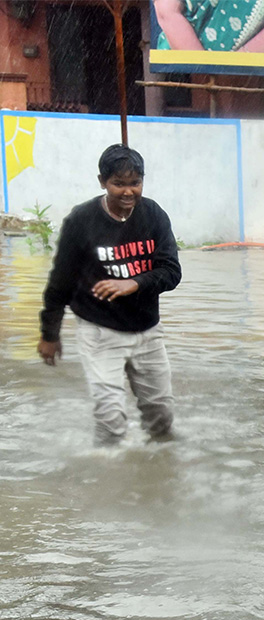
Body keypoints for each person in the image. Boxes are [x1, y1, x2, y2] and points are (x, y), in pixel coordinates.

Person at [38, 144, 182, 445]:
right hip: (100, 332)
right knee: (111, 418)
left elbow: (171, 271)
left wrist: (134, 283)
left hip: (148, 332)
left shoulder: (153, 215)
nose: (128, 192)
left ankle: (160, 475)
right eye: (119, 184)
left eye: (135, 183)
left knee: (161, 418)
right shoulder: (82, 221)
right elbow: (60, 282)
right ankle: (108, 480)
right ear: (103, 182)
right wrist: (49, 334)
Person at [154, 0, 264, 54]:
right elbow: (167, 12)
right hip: (183, 72)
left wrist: (239, 63)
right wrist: (203, 69)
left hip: (258, 77)